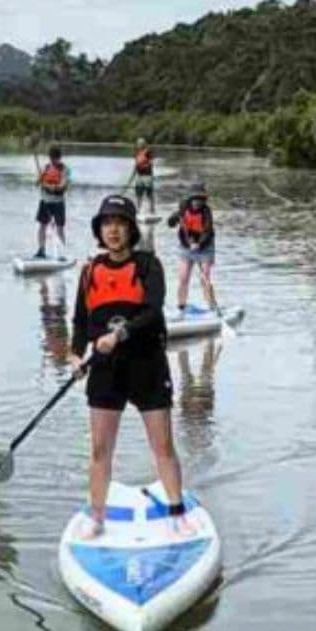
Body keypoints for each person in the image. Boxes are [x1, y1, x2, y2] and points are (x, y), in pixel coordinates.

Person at [69, 193, 185, 539]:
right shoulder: (90, 271)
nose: (113, 230)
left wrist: (119, 335)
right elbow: (79, 321)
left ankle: (177, 512)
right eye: (107, 224)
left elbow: (152, 312)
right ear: (99, 231)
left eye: (120, 223)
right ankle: (97, 517)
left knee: (162, 445)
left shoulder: (149, 265)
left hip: (147, 365)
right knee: (100, 449)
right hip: (106, 370)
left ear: (131, 229)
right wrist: (76, 356)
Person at [166, 182, 217, 311]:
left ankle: (211, 306)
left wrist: (199, 243)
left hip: (205, 247)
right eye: (195, 198)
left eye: (200, 199)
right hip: (186, 247)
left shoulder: (206, 211)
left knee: (204, 277)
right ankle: (181, 307)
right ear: (190, 199)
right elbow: (170, 223)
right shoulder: (183, 209)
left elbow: (208, 231)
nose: (197, 202)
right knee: (183, 278)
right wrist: (174, 218)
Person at [35, 144, 70, 258]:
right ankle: (41, 250)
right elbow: (36, 184)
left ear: (59, 158)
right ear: (49, 157)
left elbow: (62, 186)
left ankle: (62, 253)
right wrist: (40, 178)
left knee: (60, 228)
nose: (53, 161)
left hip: (58, 203)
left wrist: (47, 186)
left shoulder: (65, 169)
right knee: (42, 226)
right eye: (52, 158)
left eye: (56, 158)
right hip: (45, 202)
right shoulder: (45, 168)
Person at [130, 139, 156, 216]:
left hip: (147, 176)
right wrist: (133, 174)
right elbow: (136, 164)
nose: (139, 145)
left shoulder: (148, 152)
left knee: (149, 194)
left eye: (140, 144)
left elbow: (151, 163)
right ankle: (138, 210)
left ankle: (152, 210)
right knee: (138, 194)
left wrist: (144, 164)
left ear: (144, 144)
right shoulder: (136, 153)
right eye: (138, 144)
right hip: (139, 176)